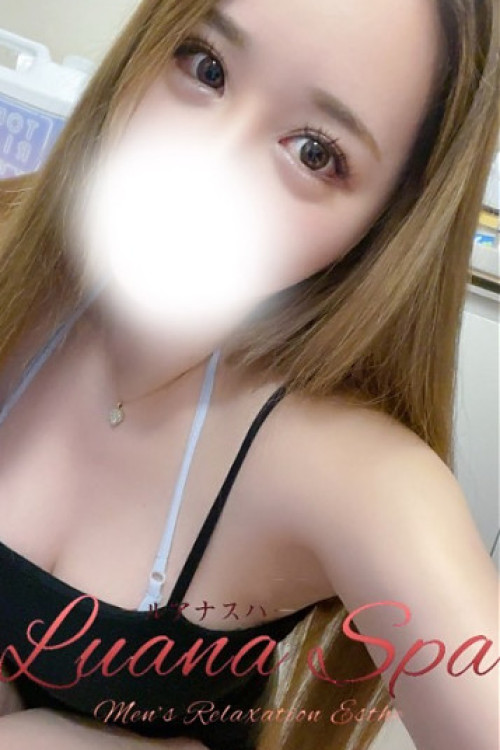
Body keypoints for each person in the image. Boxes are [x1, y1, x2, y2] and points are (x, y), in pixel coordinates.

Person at [0, 0, 498, 749]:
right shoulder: (12, 252)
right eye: (206, 67)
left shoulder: (356, 478)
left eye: (315, 152)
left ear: (387, 226)